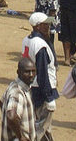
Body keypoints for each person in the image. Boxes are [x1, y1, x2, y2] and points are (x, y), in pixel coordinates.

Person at [21, 13, 58, 141]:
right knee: (41, 126)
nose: (49, 27)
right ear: (37, 26)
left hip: (32, 87)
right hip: (42, 89)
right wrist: (49, 97)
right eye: (45, 24)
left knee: (45, 128)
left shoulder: (27, 40)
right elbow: (43, 73)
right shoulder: (40, 45)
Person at [1, 58, 36, 141]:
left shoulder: (16, 86)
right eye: (27, 72)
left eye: (33, 71)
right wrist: (21, 137)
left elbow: (2, 102)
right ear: (18, 73)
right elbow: (12, 116)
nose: (31, 74)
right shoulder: (17, 93)